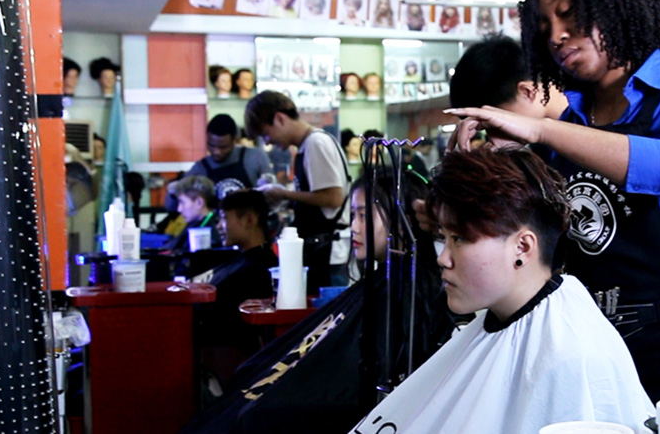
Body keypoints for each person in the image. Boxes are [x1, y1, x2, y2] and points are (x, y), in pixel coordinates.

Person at [446, 0, 660, 401]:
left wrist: (543, 131)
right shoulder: (568, 118)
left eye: (569, 14)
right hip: (583, 346)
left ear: (614, 3)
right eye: (545, 26)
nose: (557, 36)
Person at [354, 147, 654, 433]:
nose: (443, 259)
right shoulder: (504, 319)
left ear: (522, 247)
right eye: (443, 237)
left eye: (459, 239)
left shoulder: (571, 356)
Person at [183, 168, 456, 434]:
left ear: (403, 218)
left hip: (334, 408)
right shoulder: (384, 282)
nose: (354, 227)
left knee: (251, 414)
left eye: (364, 216)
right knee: (247, 383)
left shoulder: (412, 291)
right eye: (353, 216)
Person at [245, 91, 351, 290]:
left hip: (329, 256)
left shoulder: (316, 143)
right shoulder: (307, 146)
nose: (267, 142)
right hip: (320, 251)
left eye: (266, 133)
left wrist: (284, 193)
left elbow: (333, 197)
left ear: (280, 118)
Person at [195, 189, 276, 393]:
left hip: (230, 366)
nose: (219, 226)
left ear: (249, 219)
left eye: (224, 219)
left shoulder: (260, 269)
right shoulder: (240, 263)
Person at [188, 115, 273, 189]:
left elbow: (271, 189)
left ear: (234, 141)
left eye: (223, 147)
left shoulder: (255, 157)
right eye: (211, 145)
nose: (217, 152)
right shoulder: (200, 168)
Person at [165, 175, 222, 253]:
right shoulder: (197, 224)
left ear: (199, 202)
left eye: (182, 202)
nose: (179, 209)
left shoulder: (210, 232)